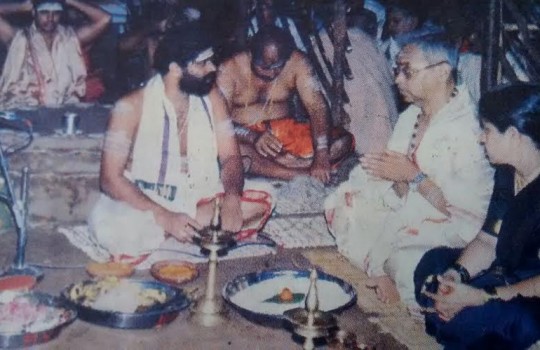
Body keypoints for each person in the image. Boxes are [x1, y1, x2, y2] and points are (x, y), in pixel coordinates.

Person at [324, 35, 494, 307]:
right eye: (397, 71)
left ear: (441, 71)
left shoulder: (468, 129)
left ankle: (391, 275)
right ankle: (381, 268)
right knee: (341, 204)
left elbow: (460, 211)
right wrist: (396, 181)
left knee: (403, 262)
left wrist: (412, 176)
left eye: (408, 72)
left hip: (451, 226)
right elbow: (397, 180)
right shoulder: (411, 115)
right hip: (408, 205)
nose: (397, 81)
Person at [87, 24, 271, 259]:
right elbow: (110, 180)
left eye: (211, 61)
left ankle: (180, 231)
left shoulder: (211, 98)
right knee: (115, 229)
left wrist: (233, 197)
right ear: (175, 68)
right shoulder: (130, 107)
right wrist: (164, 216)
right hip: (147, 200)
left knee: (264, 197)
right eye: (203, 63)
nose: (212, 68)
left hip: (197, 195)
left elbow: (231, 157)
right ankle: (187, 228)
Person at [414, 84, 540, 349]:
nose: (481, 138)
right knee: (433, 263)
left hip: (530, 289)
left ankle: (456, 320)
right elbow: (488, 240)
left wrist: (483, 296)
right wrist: (456, 275)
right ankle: (454, 314)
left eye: (488, 130)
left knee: (495, 319)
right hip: (503, 272)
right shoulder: (507, 172)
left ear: (514, 135)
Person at [217, 25, 353, 183]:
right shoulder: (229, 68)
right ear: (251, 53)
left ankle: (298, 164)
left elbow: (317, 108)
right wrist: (253, 137)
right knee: (234, 151)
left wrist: (321, 154)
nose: (272, 73)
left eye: (278, 66)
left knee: (344, 140)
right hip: (245, 136)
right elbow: (219, 122)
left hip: (285, 136)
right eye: (264, 67)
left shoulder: (298, 62)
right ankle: (297, 174)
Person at [313, 8, 399, 154]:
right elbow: (392, 83)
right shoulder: (322, 44)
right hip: (367, 130)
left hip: (363, 127)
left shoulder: (362, 40)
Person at [0, 0, 111, 109]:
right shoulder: (18, 38)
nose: (50, 18)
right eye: (44, 12)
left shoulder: (70, 38)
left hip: (64, 107)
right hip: (25, 107)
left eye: (56, 13)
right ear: (34, 13)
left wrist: (70, 1)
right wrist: (20, 7)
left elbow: (105, 19)